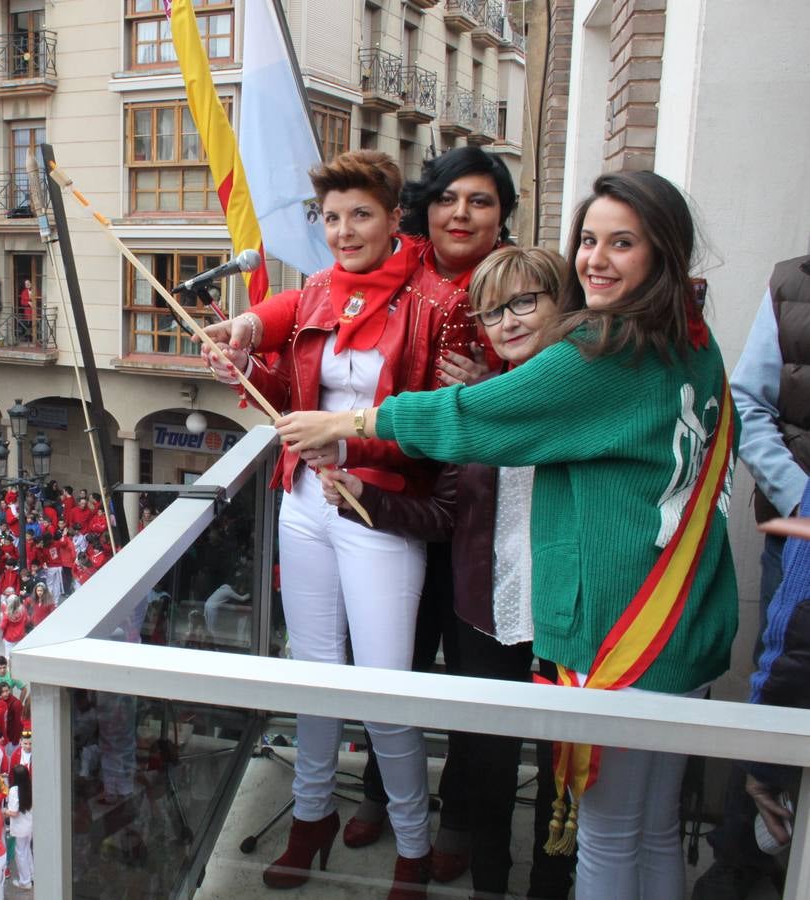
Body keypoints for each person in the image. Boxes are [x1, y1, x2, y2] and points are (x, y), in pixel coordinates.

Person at [278, 170, 738, 900]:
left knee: (609, 841)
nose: (597, 259)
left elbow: (469, 416)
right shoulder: (691, 337)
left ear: (665, 252)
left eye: (623, 243)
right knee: (653, 832)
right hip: (682, 619)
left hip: (625, 634)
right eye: (589, 239)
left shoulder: (605, 351)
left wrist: (347, 422)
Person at [199, 149, 480, 892]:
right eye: (331, 218)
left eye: (360, 215)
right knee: (312, 675)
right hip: (304, 503)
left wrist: (346, 438)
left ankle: (413, 848)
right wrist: (242, 357)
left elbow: (439, 429)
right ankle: (310, 813)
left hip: (381, 508)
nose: (344, 231)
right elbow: (277, 356)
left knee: (386, 689)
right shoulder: (320, 290)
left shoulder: (439, 302)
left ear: (394, 217)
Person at [325, 245, 577, 899]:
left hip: (569, 622)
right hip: (487, 617)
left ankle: (551, 885)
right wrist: (365, 496)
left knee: (565, 773)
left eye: (525, 301)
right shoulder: (479, 405)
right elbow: (443, 515)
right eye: (493, 312)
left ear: (561, 303)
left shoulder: (586, 401)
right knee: (488, 767)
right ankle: (491, 885)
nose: (509, 321)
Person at [695, 253, 810, 900]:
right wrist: (802, 499)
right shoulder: (794, 283)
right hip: (797, 541)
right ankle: (742, 861)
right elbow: (749, 404)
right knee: (782, 684)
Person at [5, 765, 33, 890]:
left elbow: (14, 812)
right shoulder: (30, 786)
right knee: (27, 850)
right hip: (30, 824)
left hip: (20, 826)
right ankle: (32, 874)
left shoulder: (14, 790)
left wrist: (3, 811)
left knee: (20, 853)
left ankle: (25, 881)